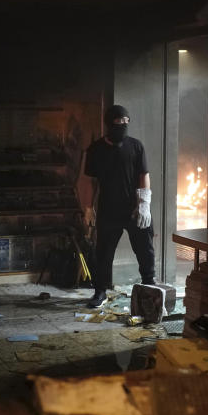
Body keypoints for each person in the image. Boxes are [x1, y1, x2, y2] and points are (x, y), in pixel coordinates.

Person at [83, 105, 154, 309]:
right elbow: (90, 182)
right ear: (109, 124)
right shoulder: (96, 149)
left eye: (126, 122)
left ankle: (149, 285)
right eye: (119, 122)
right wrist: (89, 208)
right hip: (108, 209)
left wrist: (144, 204)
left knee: (145, 249)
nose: (123, 125)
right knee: (103, 252)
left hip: (134, 209)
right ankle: (100, 291)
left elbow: (144, 175)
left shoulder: (136, 146)